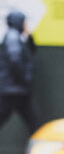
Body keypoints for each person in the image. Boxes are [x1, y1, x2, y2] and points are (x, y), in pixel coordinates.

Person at [0, 9, 40, 138]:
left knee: (34, 124)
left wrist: (30, 37)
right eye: (24, 22)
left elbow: (31, 50)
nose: (26, 25)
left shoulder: (17, 37)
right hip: (13, 90)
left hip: (16, 90)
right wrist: (25, 79)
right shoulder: (13, 38)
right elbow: (16, 61)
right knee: (34, 124)